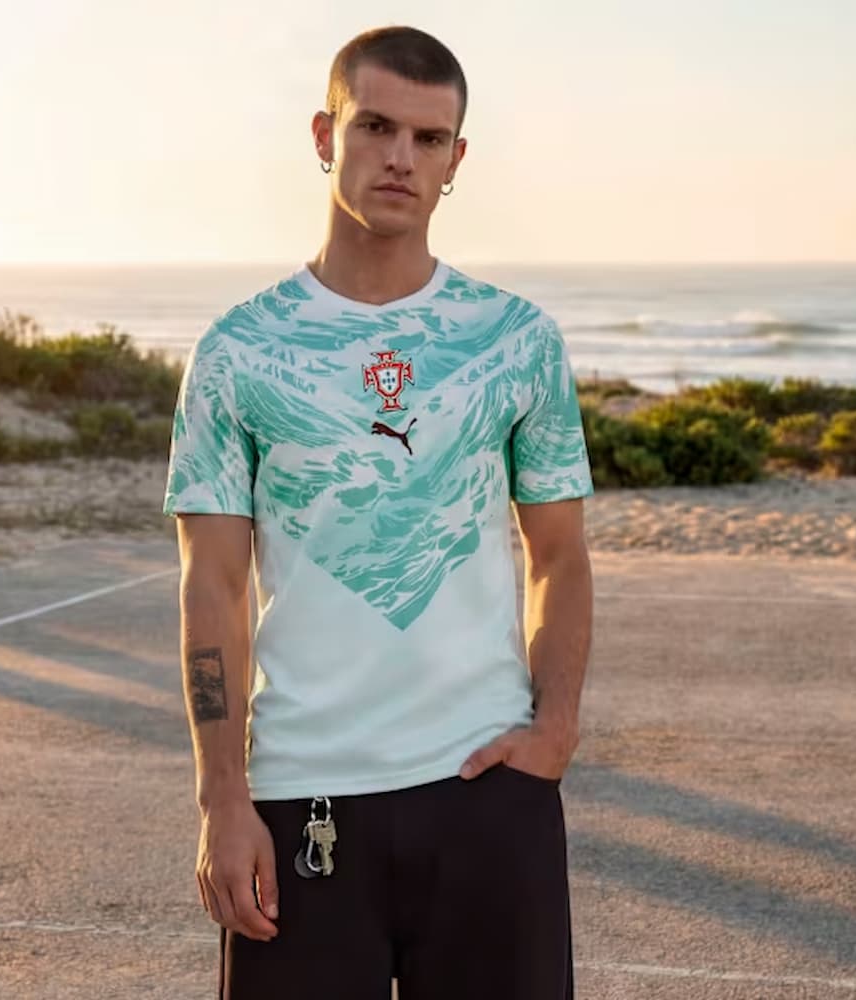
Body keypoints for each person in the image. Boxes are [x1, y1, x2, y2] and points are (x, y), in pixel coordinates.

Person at [164, 24, 594, 1000]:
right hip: (302, 796)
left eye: (429, 138)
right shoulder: (239, 352)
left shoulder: (516, 340)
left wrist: (555, 730)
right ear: (326, 135)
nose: (402, 157)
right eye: (376, 126)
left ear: (455, 161)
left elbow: (559, 556)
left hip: (488, 791)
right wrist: (221, 799)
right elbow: (212, 584)